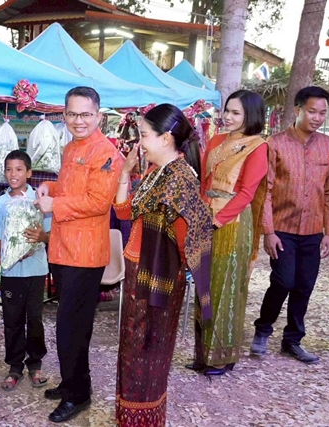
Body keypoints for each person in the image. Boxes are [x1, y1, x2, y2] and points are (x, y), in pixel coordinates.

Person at [113, 104, 214, 427]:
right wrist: (125, 173)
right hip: (139, 267)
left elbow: (191, 234)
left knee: (148, 349)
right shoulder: (156, 172)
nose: (140, 143)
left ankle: (142, 420)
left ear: (166, 138)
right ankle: (131, 417)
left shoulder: (180, 178)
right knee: (134, 348)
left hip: (158, 275)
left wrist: (187, 273)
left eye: (144, 136)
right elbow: (124, 212)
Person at [34, 86, 123, 423]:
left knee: (73, 327)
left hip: (85, 255)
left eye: (86, 114)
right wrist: (50, 187)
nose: (79, 120)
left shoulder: (107, 153)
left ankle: (79, 394)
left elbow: (99, 202)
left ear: (99, 115)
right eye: (72, 114)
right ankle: (70, 382)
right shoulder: (71, 146)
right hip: (62, 247)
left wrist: (55, 204)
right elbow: (72, 189)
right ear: (64, 115)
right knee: (66, 323)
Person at [250, 86, 329, 364]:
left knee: (304, 285)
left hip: (313, 230)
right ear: (298, 109)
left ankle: (292, 340)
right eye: (312, 111)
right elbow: (264, 191)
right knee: (283, 281)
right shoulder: (275, 144)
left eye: (322, 113)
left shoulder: (328, 146)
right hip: (282, 228)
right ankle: (263, 329)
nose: (317, 118)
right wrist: (268, 231)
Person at [192, 90, 268, 376]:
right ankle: (203, 354)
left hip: (232, 223)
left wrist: (217, 220)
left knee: (225, 287)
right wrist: (200, 216)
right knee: (204, 285)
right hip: (206, 217)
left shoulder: (258, 147)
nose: (228, 116)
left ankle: (222, 356)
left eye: (236, 113)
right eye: (227, 110)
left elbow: (247, 193)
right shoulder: (216, 140)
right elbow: (204, 183)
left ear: (251, 116)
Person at [0, 150, 50, 392]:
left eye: (18, 169)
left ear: (29, 173)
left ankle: (35, 364)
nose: (12, 174)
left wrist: (38, 240)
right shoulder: (1, 203)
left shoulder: (40, 200)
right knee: (12, 320)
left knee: (34, 318)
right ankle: (15, 366)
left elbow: (50, 235)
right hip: (11, 273)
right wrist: (13, 251)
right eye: (8, 169)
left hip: (36, 270)